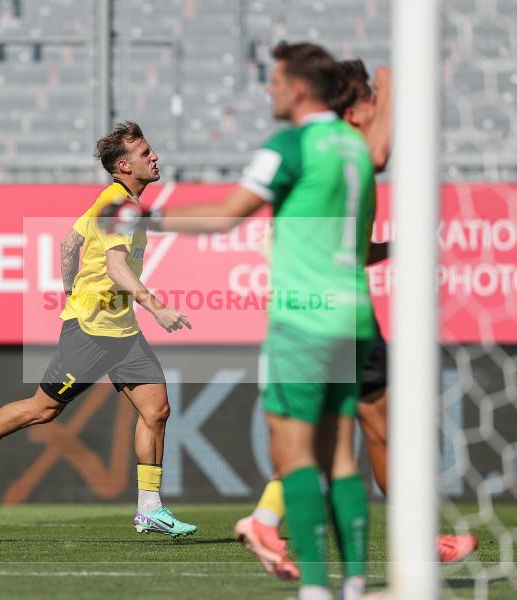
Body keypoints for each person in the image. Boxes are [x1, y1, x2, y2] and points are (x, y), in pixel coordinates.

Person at [102, 42, 375, 600]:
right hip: (355, 314)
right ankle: (355, 582)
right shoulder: (356, 147)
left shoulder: (290, 144)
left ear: (298, 89)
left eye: (275, 81)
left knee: (294, 455)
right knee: (343, 454)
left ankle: (317, 589)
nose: (269, 90)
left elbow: (228, 215)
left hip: (303, 318)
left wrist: (146, 216)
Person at [235, 59, 478, 581]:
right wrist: (392, 87)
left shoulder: (336, 157)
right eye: (367, 100)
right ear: (353, 109)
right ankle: (268, 522)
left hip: (321, 309)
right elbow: (380, 152)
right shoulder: (346, 151)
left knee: (367, 428)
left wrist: (391, 246)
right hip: (331, 313)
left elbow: (356, 247)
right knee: (336, 437)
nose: (375, 110)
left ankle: (280, 526)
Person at [0, 121, 197, 538]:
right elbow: (114, 266)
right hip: (92, 331)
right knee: (43, 409)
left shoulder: (114, 204)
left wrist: (71, 287)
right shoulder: (117, 204)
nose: (155, 157)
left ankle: (149, 508)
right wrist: (157, 307)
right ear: (124, 166)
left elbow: (68, 245)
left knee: (156, 409)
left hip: (120, 329)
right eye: (146, 153)